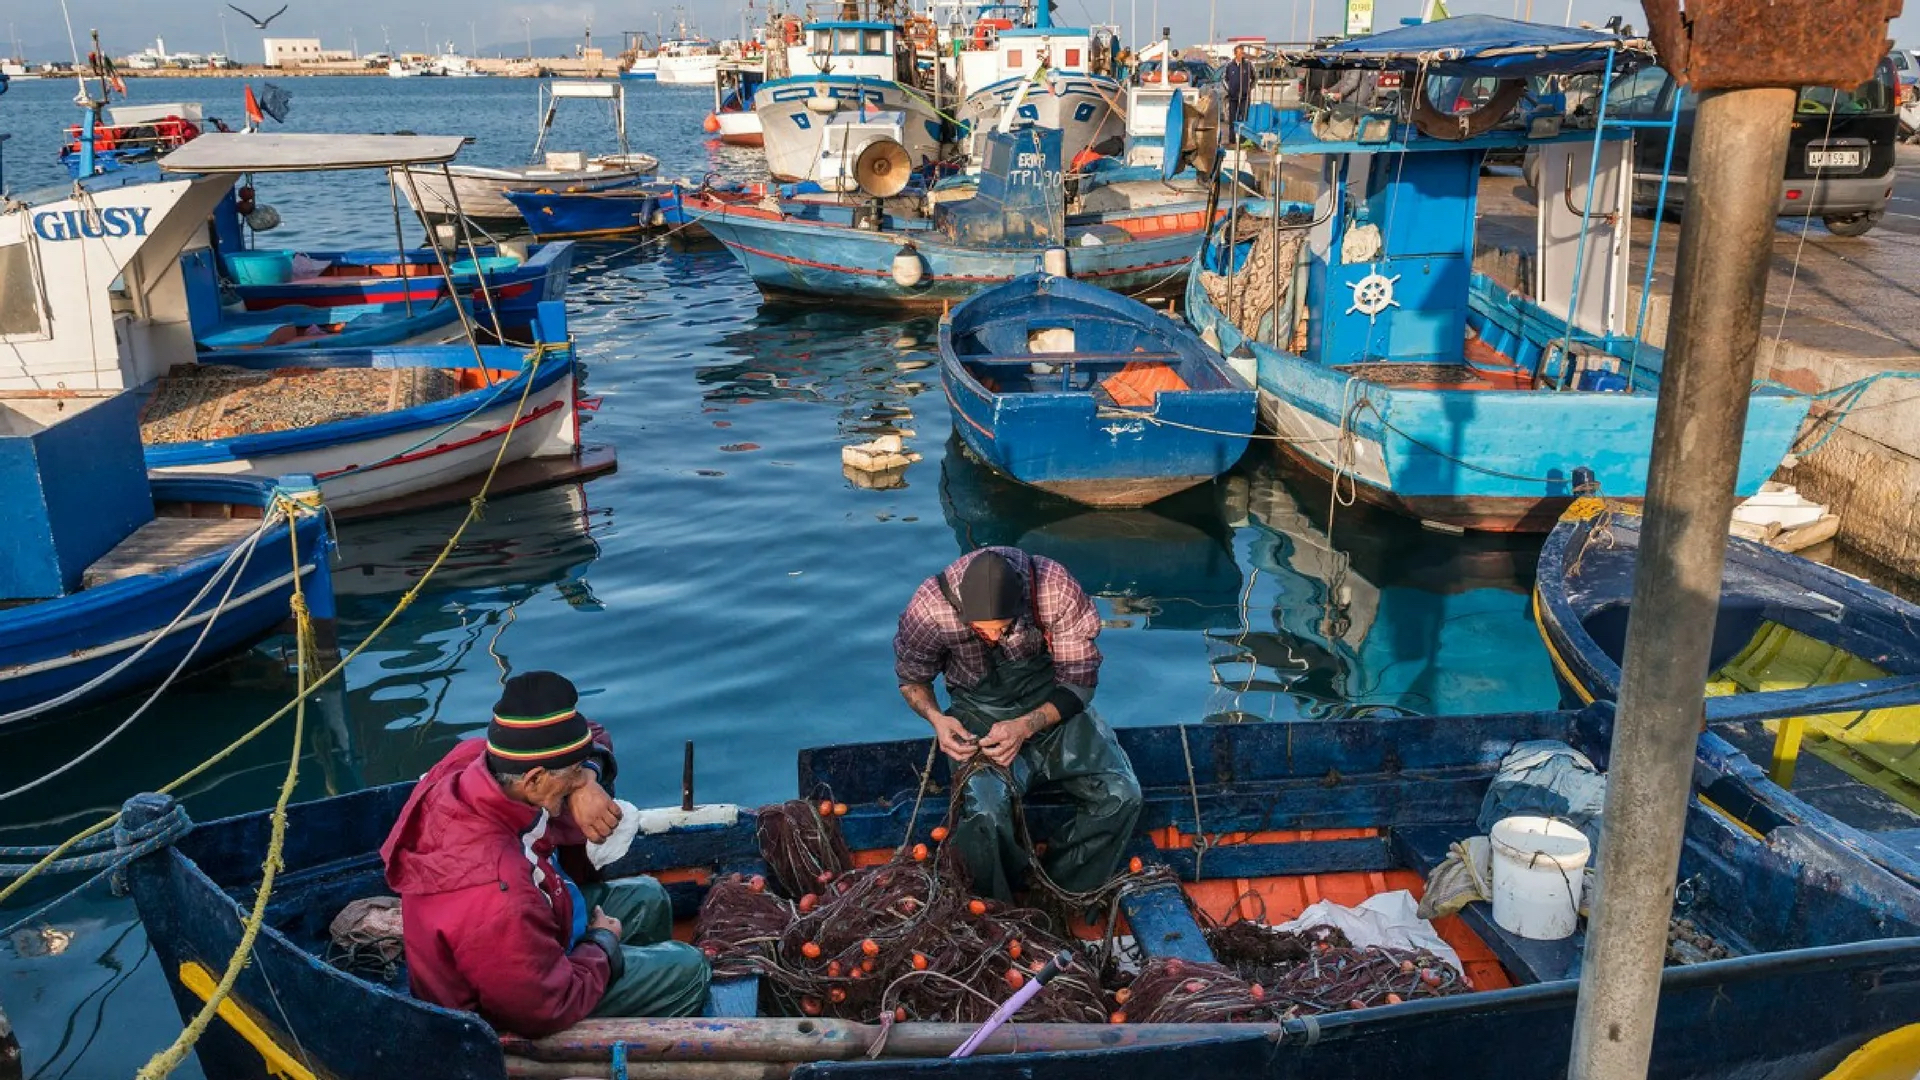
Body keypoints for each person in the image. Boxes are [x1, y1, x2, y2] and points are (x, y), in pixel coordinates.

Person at [381, 671, 710, 1036]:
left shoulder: (475, 762)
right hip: (497, 1017)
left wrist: (586, 776)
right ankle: (648, 1053)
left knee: (649, 898)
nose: (577, 787)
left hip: (527, 936)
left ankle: (631, 1000)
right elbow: (543, 1008)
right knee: (689, 969)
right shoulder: (496, 890)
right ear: (534, 780)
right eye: (570, 778)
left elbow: (594, 733)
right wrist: (602, 946)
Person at [894, 547, 1142, 902]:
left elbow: (1079, 684)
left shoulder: (1054, 588)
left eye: (1003, 628)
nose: (994, 638)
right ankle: (999, 910)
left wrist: (1024, 726)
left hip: (1052, 709)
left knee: (1123, 795)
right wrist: (937, 719)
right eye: (983, 630)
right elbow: (912, 679)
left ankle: (1059, 893)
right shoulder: (929, 607)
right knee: (986, 811)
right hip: (977, 714)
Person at [1222, 46, 1257, 134]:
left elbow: (1255, 78)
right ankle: (1232, 139)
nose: (1242, 55)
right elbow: (1224, 79)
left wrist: (1249, 88)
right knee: (1233, 119)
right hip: (1233, 97)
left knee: (1244, 118)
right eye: (1240, 53)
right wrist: (1229, 89)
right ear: (1235, 54)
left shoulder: (1248, 65)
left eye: (1243, 53)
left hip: (1244, 97)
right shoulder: (1229, 65)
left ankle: (1243, 139)